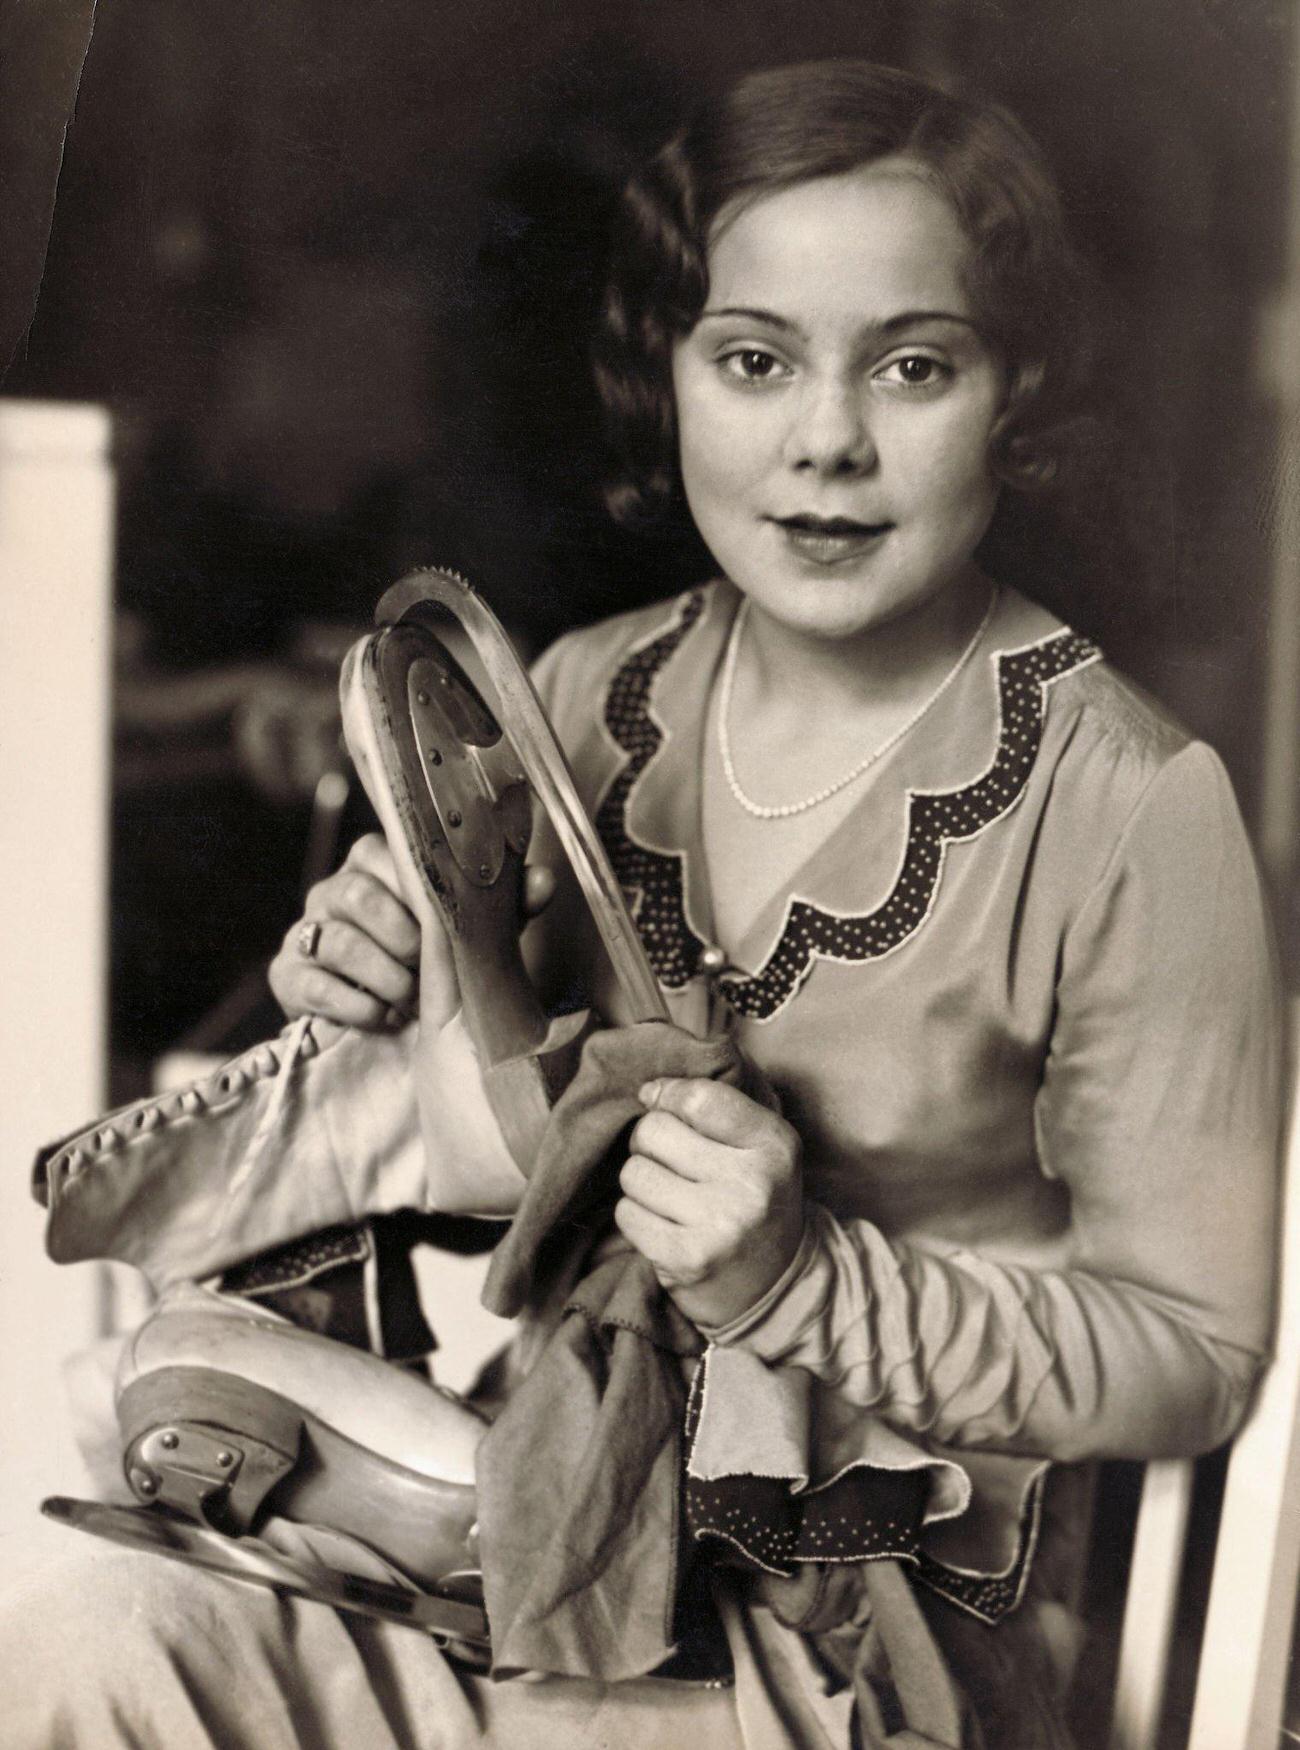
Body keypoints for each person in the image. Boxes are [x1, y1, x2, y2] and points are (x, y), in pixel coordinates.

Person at [9, 58, 1281, 1750]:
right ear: (668, 376)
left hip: (863, 1628)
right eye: (754, 360)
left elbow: (1193, 1346)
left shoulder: (1128, 805)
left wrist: (800, 1279)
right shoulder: (591, 692)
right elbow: (514, 1161)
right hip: (532, 1526)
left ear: (1013, 390)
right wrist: (394, 1010)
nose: (827, 438)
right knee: (81, 1633)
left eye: (913, 364)